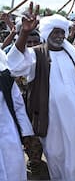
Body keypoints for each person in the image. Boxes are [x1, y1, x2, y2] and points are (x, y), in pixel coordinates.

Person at [7, 3, 75, 180]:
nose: (58, 36)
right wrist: (24, 33)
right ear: (47, 33)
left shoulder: (72, 55)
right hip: (52, 121)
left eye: (61, 32)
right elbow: (14, 66)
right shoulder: (36, 54)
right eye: (54, 32)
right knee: (58, 157)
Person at [0, 49, 34, 180]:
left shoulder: (4, 77)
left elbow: (18, 105)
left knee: (14, 171)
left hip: (8, 136)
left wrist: (25, 132)